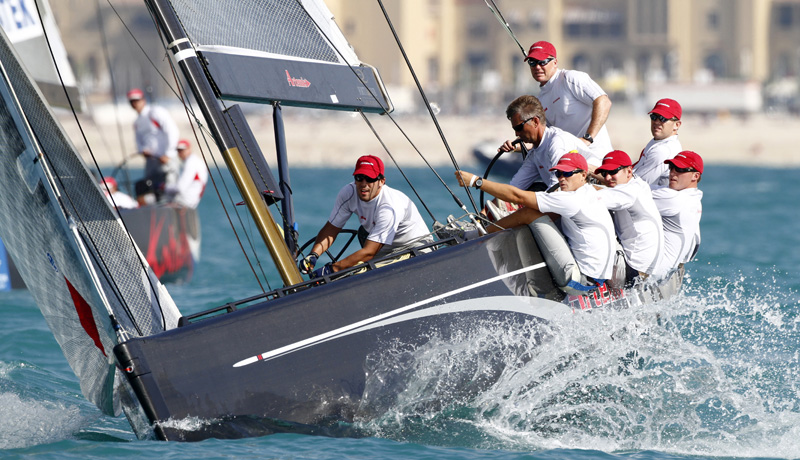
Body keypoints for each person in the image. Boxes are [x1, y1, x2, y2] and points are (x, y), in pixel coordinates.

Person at [455, 152, 616, 286]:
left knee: (529, 214)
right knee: (545, 214)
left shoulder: (571, 199)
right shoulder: (593, 192)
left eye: (566, 173)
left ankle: (475, 236)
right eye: (558, 173)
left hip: (581, 281)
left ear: (583, 175)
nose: (561, 178)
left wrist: (476, 181)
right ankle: (499, 229)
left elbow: (517, 196)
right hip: (598, 278)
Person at [299, 155, 432, 278]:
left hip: (415, 248)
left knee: (350, 272)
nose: (363, 184)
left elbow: (369, 252)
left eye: (370, 179)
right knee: (362, 241)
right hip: (383, 248)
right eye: (359, 178)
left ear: (381, 181)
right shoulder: (348, 193)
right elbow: (332, 228)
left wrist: (331, 269)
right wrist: (313, 255)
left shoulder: (389, 207)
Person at [525, 40, 613, 159]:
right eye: (532, 62)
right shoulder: (540, 100)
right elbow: (545, 138)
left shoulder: (570, 78)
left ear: (555, 62)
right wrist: (517, 146)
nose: (537, 67)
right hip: (572, 166)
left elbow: (604, 101)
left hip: (598, 159)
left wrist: (588, 138)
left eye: (542, 62)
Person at [497, 95, 598, 193]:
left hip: (598, 195)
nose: (516, 134)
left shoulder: (557, 143)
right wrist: (485, 208)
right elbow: (513, 189)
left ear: (535, 121)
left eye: (519, 128)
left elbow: (557, 190)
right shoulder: (535, 153)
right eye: (514, 129)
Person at [594, 150, 665, 284]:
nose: (607, 178)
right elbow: (605, 191)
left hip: (633, 271)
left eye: (613, 172)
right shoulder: (638, 184)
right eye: (604, 173)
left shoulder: (628, 192)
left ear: (629, 171)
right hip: (647, 269)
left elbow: (586, 200)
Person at [651, 150, 704, 276]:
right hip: (670, 273)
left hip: (653, 271)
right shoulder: (695, 199)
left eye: (680, 169)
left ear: (695, 176)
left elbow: (630, 191)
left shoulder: (674, 199)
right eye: (671, 167)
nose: (672, 173)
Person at [127, 88, 180, 197]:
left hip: (166, 159)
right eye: (132, 101)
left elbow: (172, 131)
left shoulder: (155, 112)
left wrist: (168, 154)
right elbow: (139, 141)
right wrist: (143, 151)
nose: (135, 103)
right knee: (151, 189)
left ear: (143, 100)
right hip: (151, 161)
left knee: (170, 187)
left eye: (137, 100)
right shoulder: (137, 122)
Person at [633, 98, 683, 186]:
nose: (656, 122)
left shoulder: (664, 151)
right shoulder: (659, 141)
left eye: (662, 118)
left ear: (677, 125)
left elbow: (637, 185)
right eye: (653, 117)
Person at [165, 139, 208, 209]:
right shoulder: (195, 161)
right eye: (178, 150)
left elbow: (180, 188)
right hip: (191, 202)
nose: (180, 153)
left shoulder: (191, 163)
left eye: (182, 150)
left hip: (185, 202)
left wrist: (164, 187)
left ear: (189, 149)